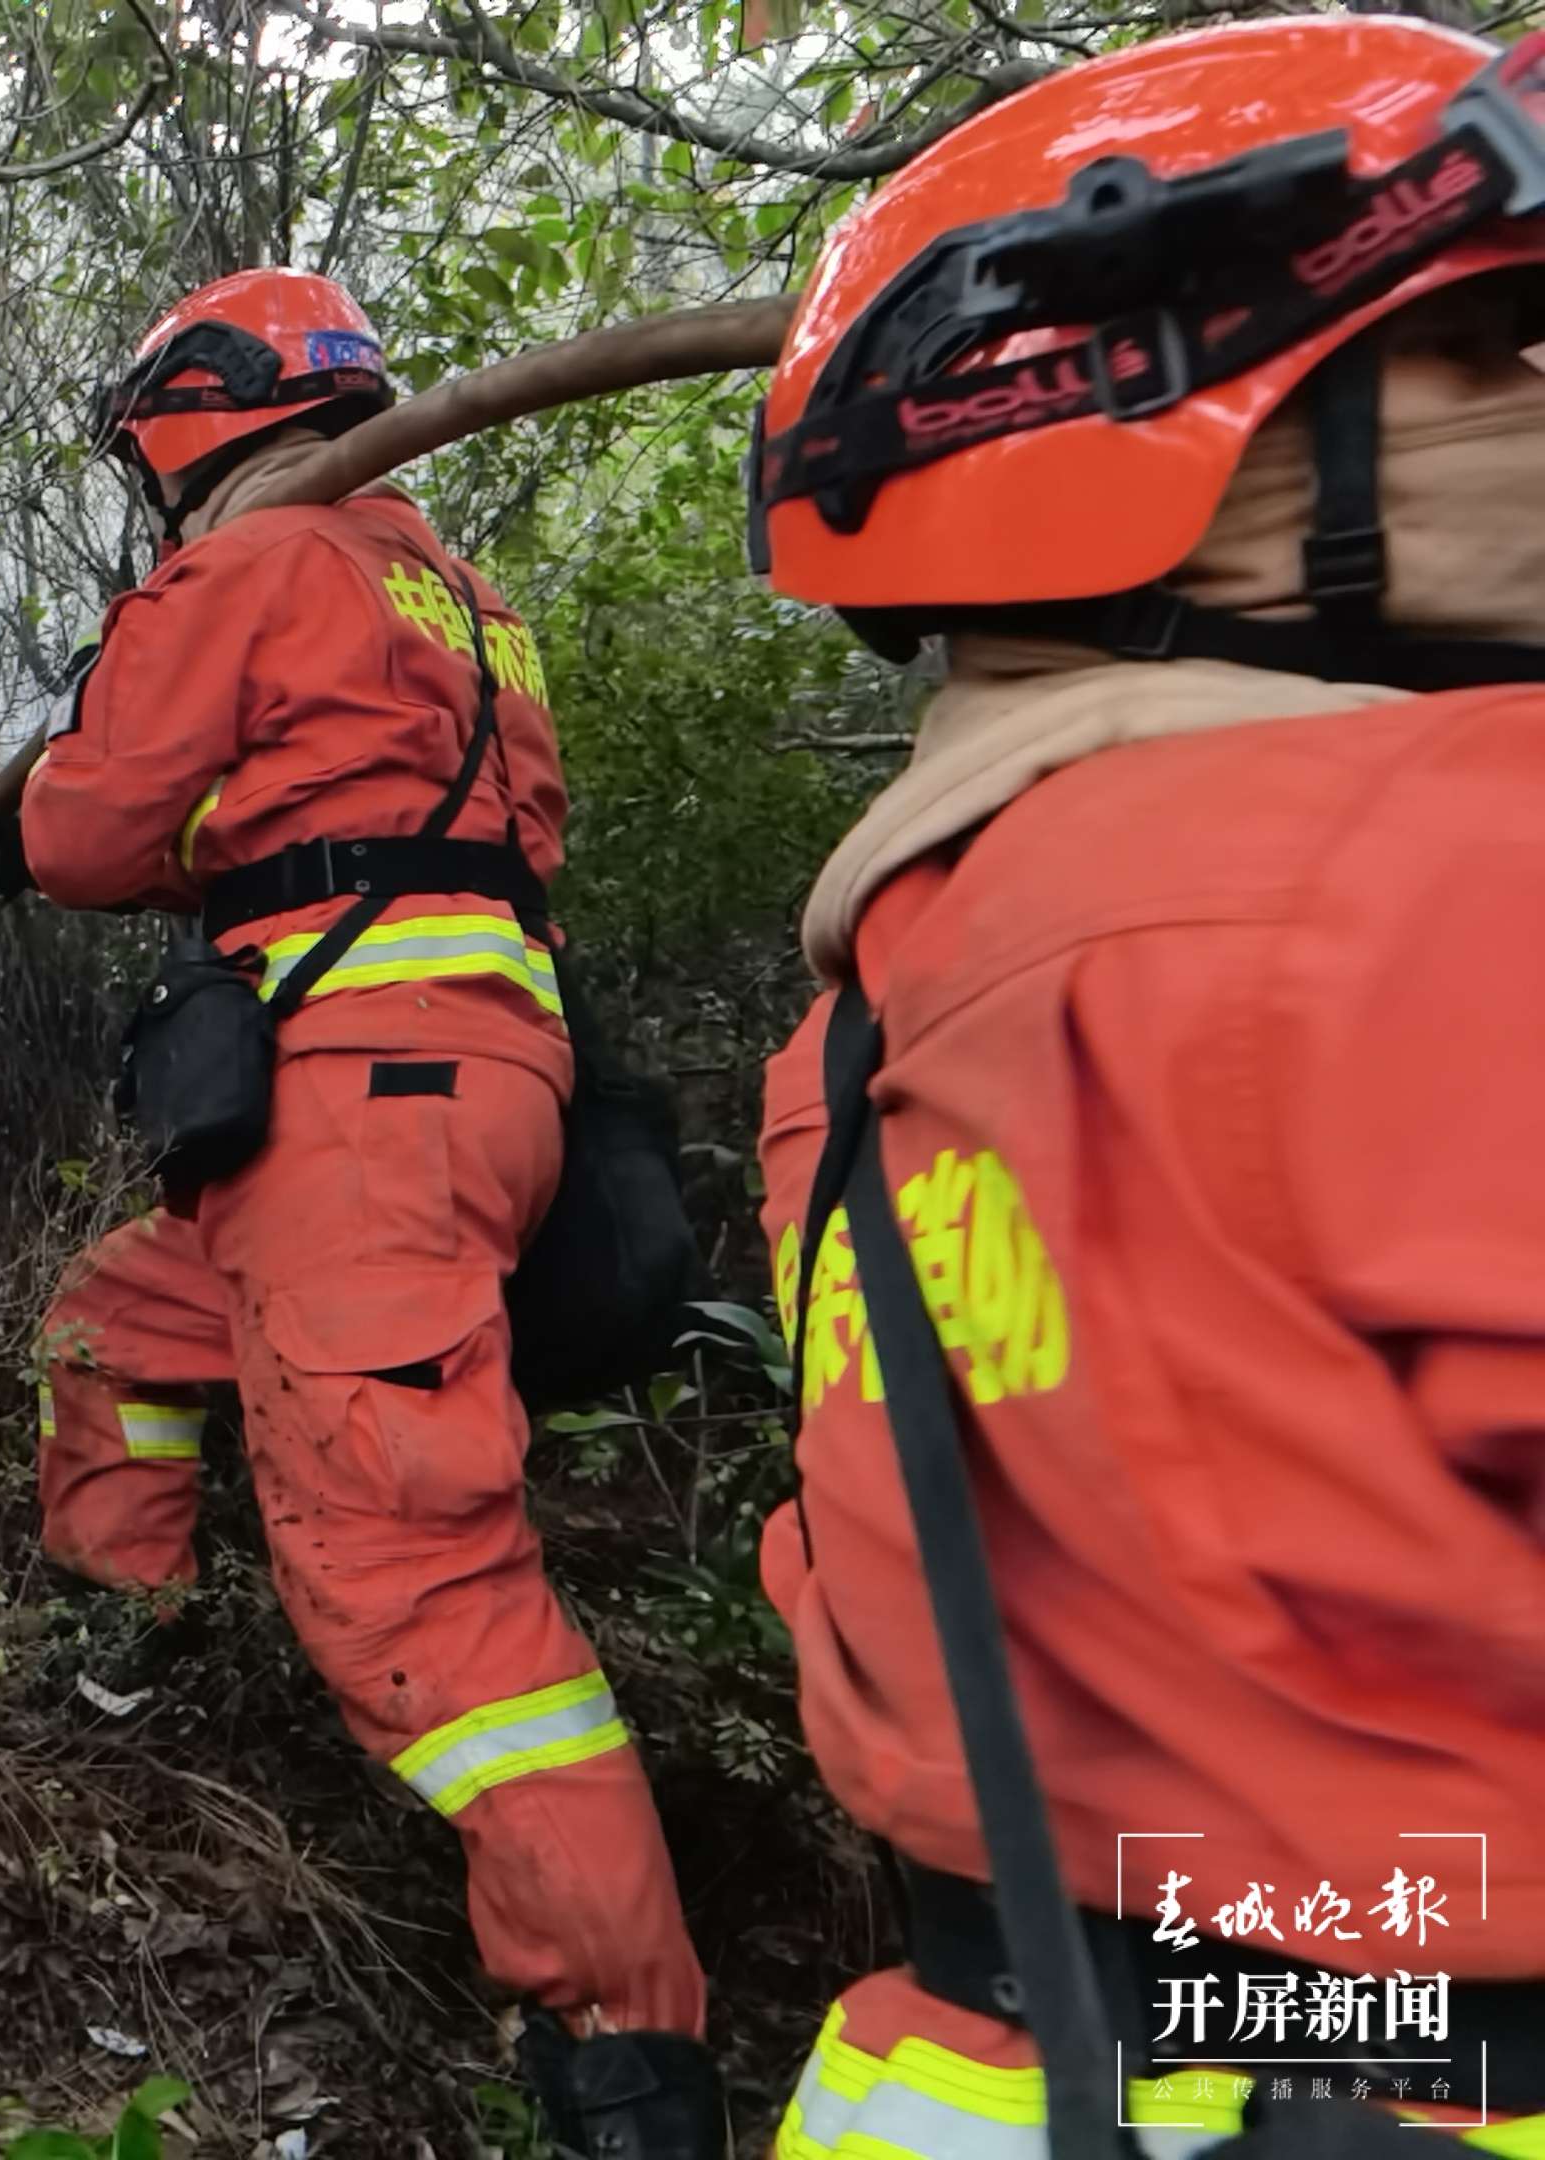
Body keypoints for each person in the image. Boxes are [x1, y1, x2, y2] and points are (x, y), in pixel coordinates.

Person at [742, 18, 1545, 2154]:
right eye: (1504, 354)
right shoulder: (1454, 865)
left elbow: (856, 1580)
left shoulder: (863, 1022)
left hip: (958, 2082)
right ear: (1216, 440)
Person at [0, 265, 718, 2158]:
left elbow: (79, 838)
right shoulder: (458, 592)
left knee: (422, 1584)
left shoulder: (241, 569)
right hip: (480, 1084)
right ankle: (128, 1637)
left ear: (188, 424)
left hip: (361, 1116)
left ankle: (629, 2052)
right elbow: (367, 818)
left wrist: (70, 771)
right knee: (116, 1322)